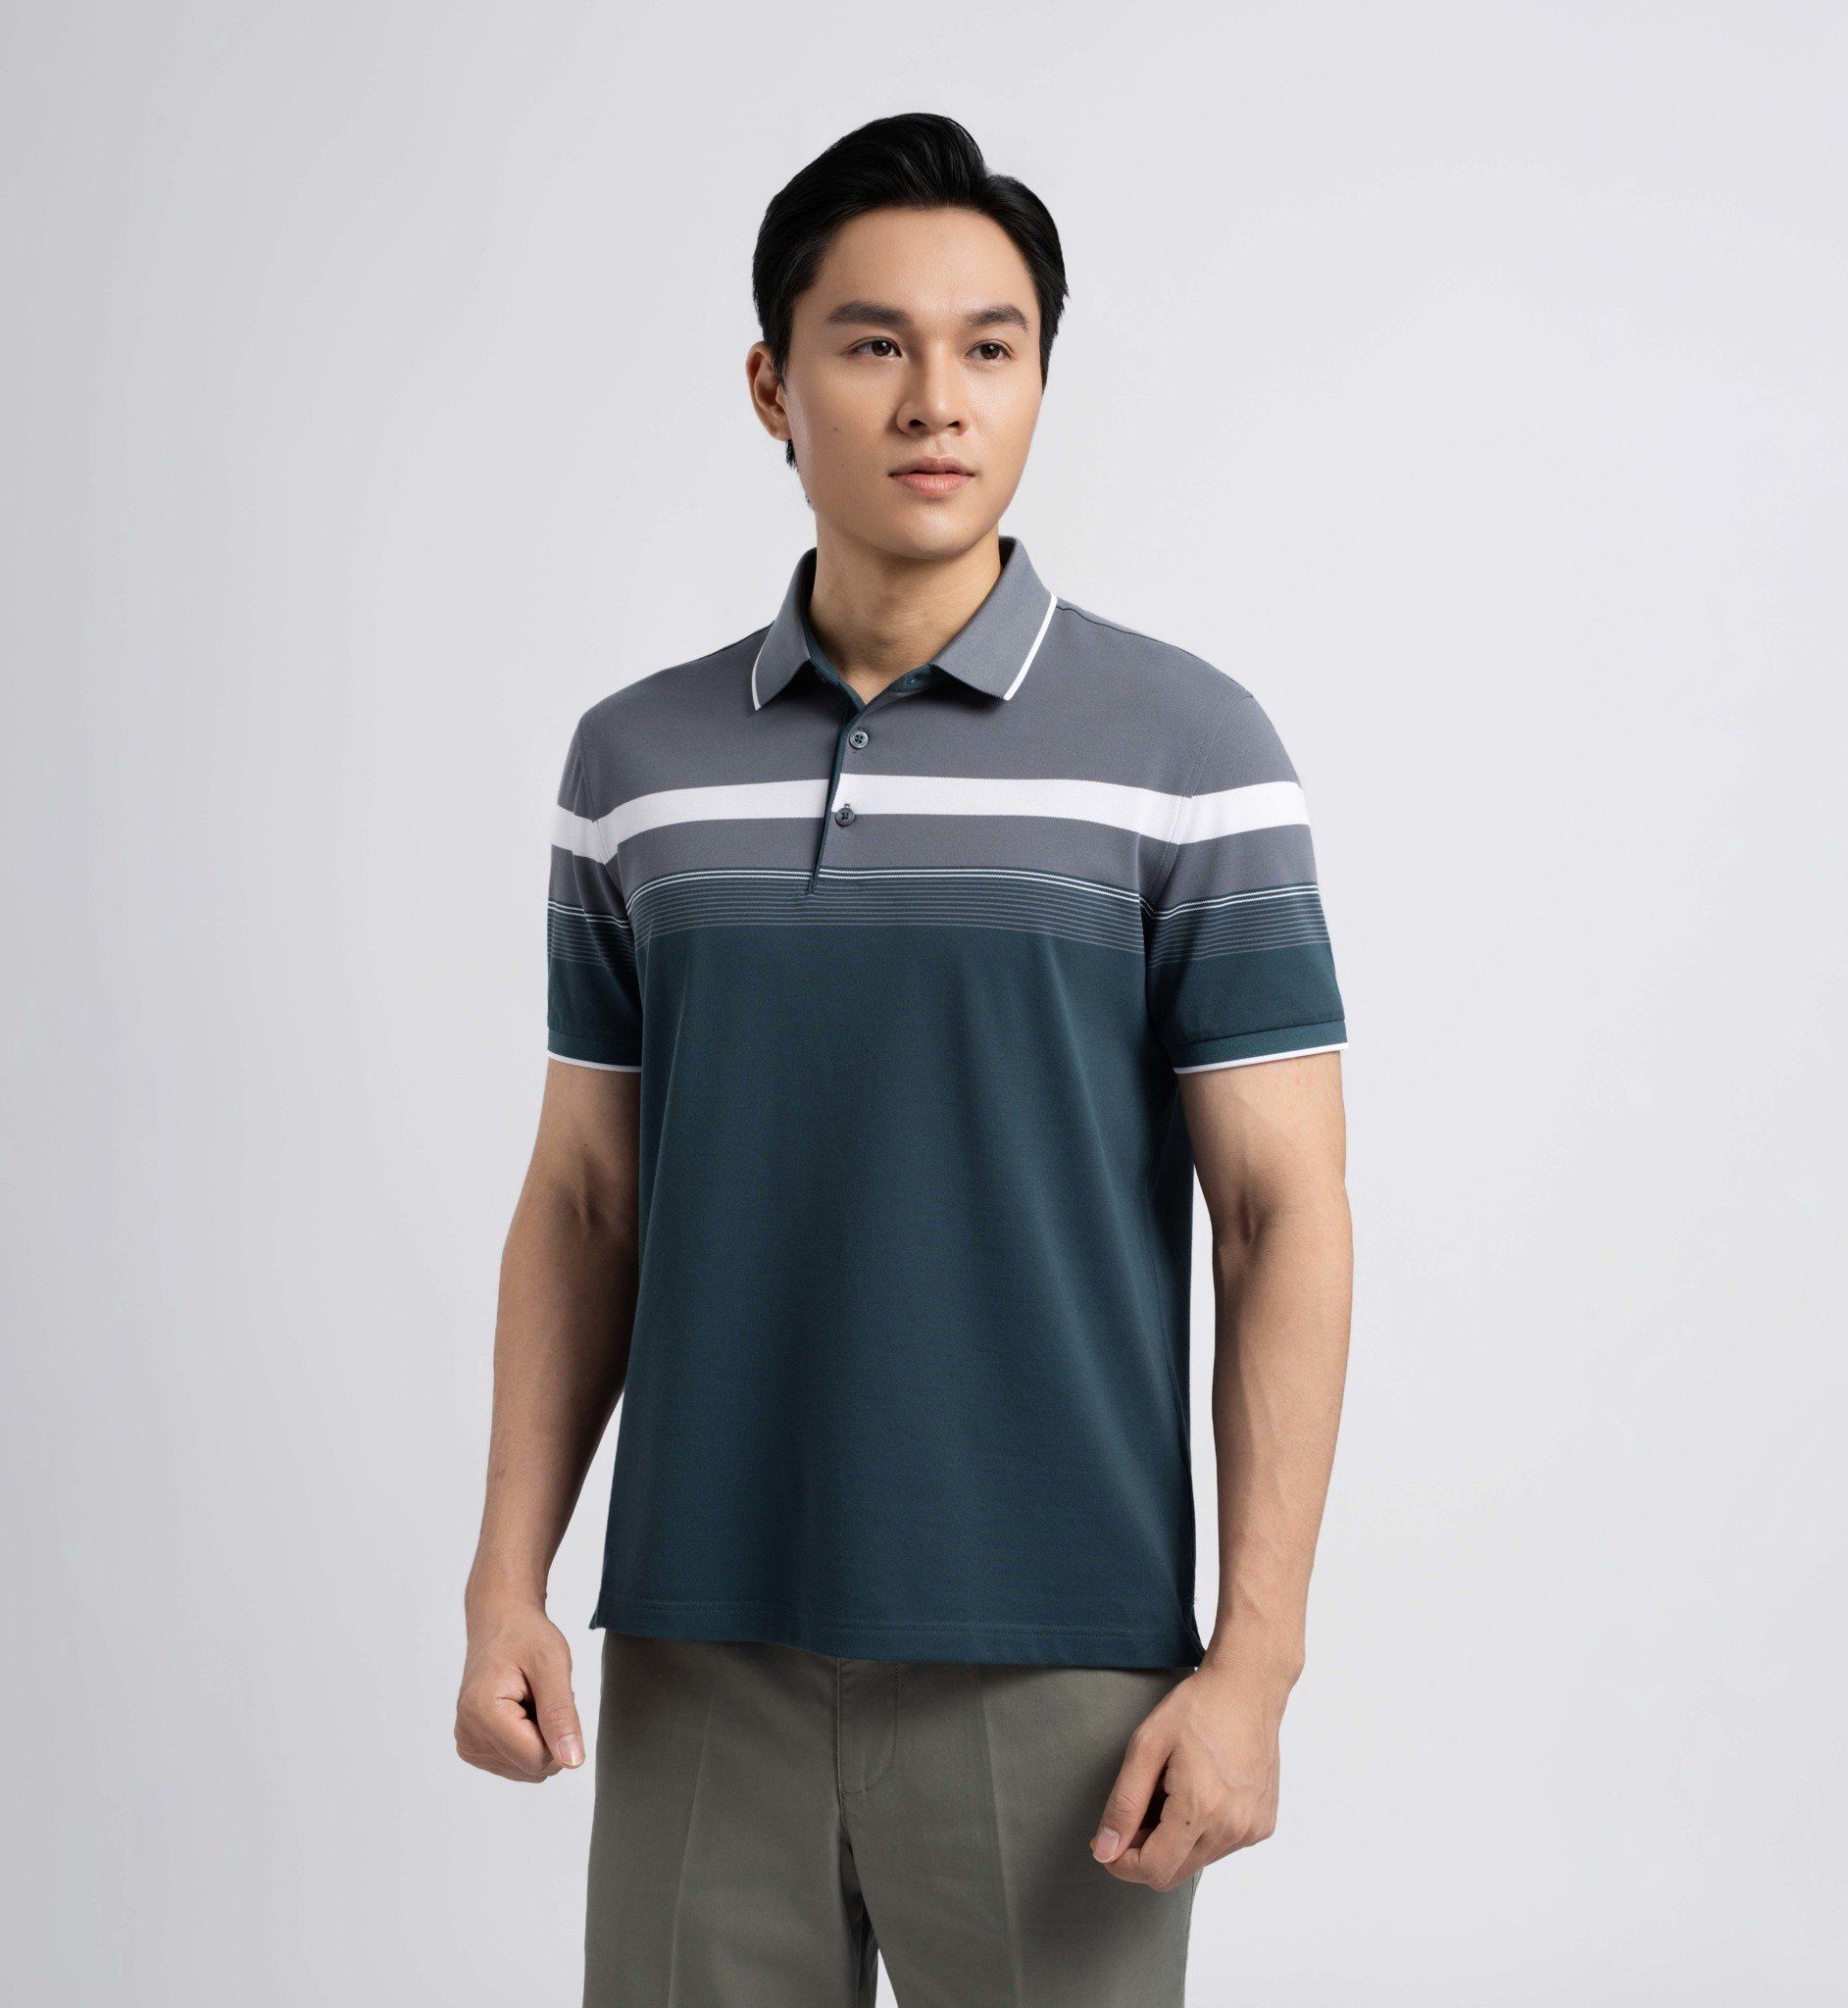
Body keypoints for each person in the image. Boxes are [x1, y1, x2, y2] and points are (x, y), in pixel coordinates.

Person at [455, 111, 1353, 2007]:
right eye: (874, 345)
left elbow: (1282, 1215)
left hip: (1064, 1663)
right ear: (772, 388)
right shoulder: (636, 766)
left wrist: (1253, 1665)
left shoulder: (1190, 751)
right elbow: (587, 1197)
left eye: (990, 347)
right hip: (701, 1642)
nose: (938, 399)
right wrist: (505, 1578)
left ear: (1037, 381)